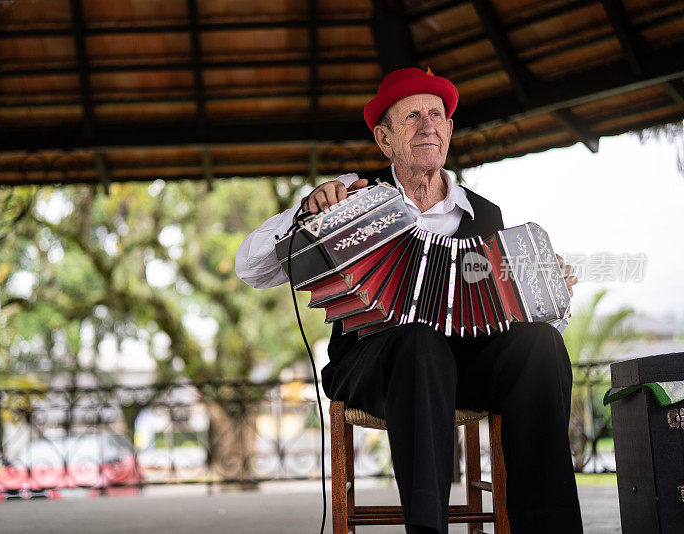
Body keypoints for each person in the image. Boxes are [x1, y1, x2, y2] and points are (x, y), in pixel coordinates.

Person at [235, 67, 583, 534]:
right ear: (384, 139)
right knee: (419, 342)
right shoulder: (353, 199)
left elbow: (510, 312)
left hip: (466, 367)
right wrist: (306, 208)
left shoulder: (486, 215)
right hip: (374, 364)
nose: (428, 126)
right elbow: (251, 268)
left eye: (436, 115)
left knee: (541, 344)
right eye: (412, 117)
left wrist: (545, 290)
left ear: (450, 130)